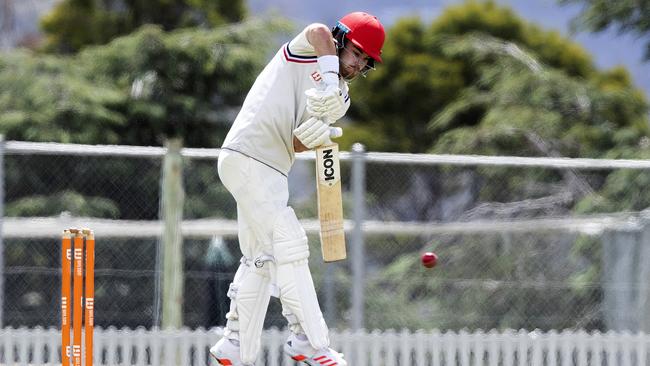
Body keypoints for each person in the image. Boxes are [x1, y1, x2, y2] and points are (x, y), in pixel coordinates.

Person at [210, 11, 385, 366]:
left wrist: (316, 138)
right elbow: (318, 30)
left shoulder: (341, 97)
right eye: (356, 53)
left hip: (273, 168)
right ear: (341, 38)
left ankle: (234, 345)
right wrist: (327, 81)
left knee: (261, 258)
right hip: (249, 154)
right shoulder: (310, 48)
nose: (357, 65)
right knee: (289, 245)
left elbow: (294, 140)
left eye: (365, 62)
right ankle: (309, 339)